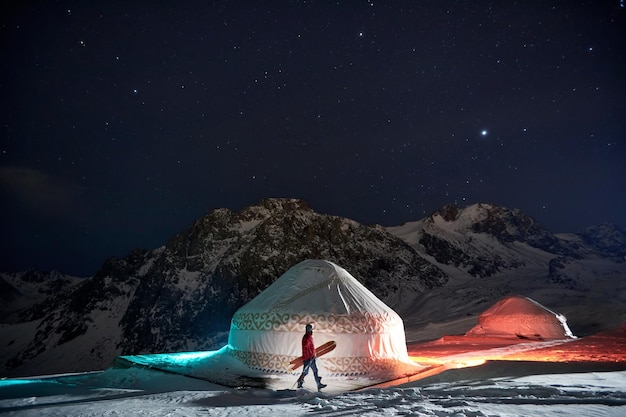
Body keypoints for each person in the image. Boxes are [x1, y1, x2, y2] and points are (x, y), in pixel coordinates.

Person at [296, 323, 327, 391]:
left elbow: (311, 347)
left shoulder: (309, 336)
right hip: (308, 358)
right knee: (306, 372)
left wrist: (313, 355)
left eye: (310, 328)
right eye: (309, 328)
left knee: (314, 370)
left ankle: (318, 384)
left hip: (311, 357)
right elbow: (305, 349)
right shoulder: (306, 337)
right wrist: (309, 357)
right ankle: (300, 382)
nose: (310, 330)